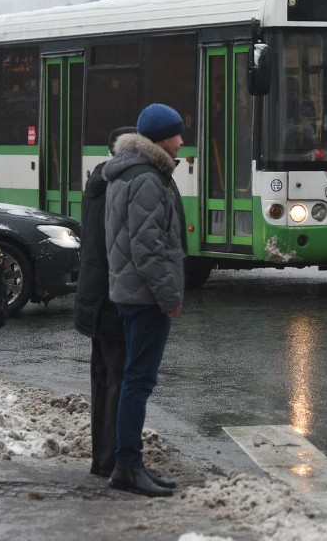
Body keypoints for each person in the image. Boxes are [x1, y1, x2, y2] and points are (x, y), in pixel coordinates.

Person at [103, 104, 186, 498]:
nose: (182, 141)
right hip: (145, 295)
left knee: (134, 380)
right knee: (138, 382)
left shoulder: (127, 172)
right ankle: (128, 466)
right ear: (159, 138)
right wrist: (169, 297)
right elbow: (148, 247)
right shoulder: (149, 179)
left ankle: (129, 462)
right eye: (176, 134)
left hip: (130, 290)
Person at [73, 125, 136, 478]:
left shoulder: (97, 182)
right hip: (113, 296)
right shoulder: (119, 187)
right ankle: (112, 459)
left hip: (94, 295)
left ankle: (101, 458)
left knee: (103, 377)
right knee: (119, 378)